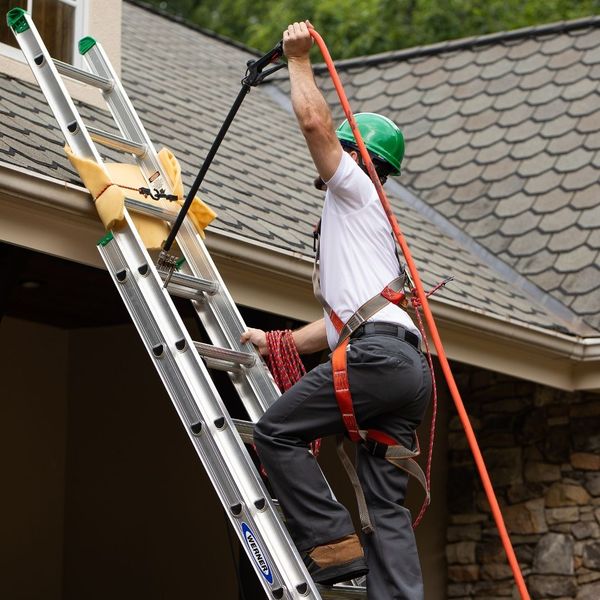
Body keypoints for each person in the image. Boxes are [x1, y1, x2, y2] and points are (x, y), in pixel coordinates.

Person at [241, 21, 432, 600]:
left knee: (274, 434)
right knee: (385, 502)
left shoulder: (353, 187)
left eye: (339, 150)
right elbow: (346, 319)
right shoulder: (374, 225)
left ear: (353, 154)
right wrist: (276, 342)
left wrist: (298, 59)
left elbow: (312, 122)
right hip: (404, 367)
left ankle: (330, 544)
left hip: (374, 358)